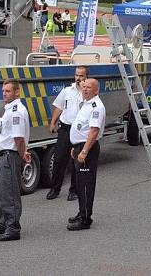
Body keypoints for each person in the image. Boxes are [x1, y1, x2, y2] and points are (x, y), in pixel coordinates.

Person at [0, 79, 31, 241]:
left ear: (17, 92)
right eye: (3, 90)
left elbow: (18, 138)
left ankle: (13, 228)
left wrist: (22, 154)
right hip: (3, 156)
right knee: (2, 192)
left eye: (8, 91)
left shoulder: (16, 111)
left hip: (9, 156)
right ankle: (3, 223)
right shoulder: (10, 109)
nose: (4, 93)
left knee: (10, 193)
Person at [67, 78, 105, 231]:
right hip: (80, 147)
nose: (85, 89)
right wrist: (75, 147)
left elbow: (94, 131)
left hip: (86, 149)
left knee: (85, 185)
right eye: (84, 87)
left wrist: (83, 151)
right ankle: (81, 212)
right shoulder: (86, 103)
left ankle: (85, 219)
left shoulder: (96, 106)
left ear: (96, 91)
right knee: (79, 182)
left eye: (89, 87)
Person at [46, 66, 88, 201]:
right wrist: (53, 122)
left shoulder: (88, 93)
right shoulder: (67, 91)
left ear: (86, 77)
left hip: (79, 130)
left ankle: (74, 190)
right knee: (59, 159)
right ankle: (55, 189)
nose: (78, 78)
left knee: (76, 161)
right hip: (65, 128)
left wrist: (84, 91)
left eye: (81, 76)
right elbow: (59, 107)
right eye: (76, 75)